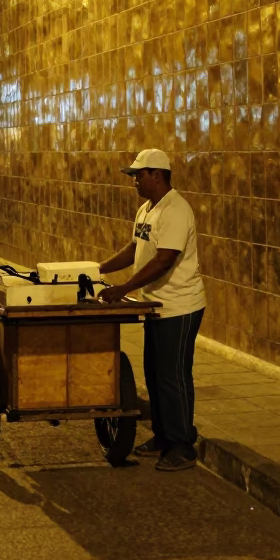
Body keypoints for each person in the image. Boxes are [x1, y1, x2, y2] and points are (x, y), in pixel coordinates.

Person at [99, 148, 206, 473]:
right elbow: (137, 249)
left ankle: (183, 445)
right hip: (156, 306)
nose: (133, 181)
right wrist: (98, 269)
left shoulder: (175, 209)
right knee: (156, 374)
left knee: (174, 376)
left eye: (138, 175)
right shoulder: (147, 208)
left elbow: (164, 259)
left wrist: (124, 288)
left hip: (180, 306)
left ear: (156, 175)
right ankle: (163, 436)